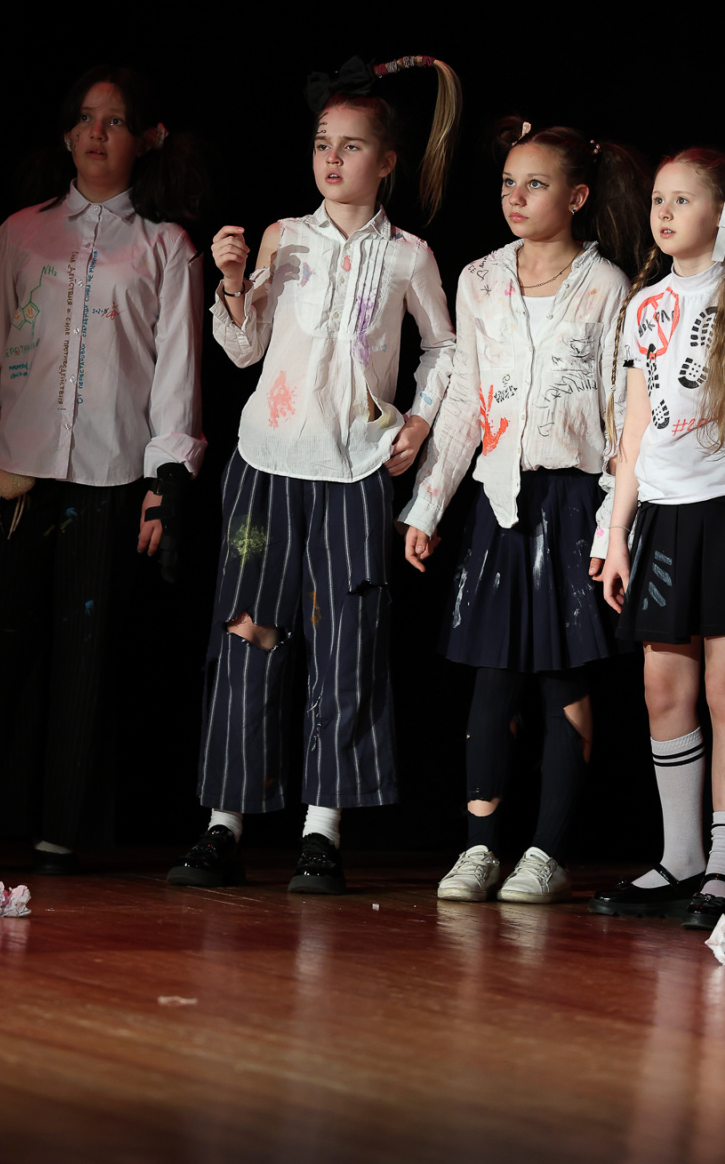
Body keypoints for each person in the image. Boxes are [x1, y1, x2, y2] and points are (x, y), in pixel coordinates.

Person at [168, 55, 460, 894]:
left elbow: (443, 350)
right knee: (246, 631)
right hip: (265, 467)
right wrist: (232, 283)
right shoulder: (284, 237)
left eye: (352, 146)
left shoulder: (407, 256)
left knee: (345, 643)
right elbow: (242, 350)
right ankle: (224, 823)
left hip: (354, 470)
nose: (333, 159)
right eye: (323, 143)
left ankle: (321, 830)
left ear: (387, 160)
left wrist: (419, 420)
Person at [0, 66, 207, 874]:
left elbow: (176, 377)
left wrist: (165, 483)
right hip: (20, 470)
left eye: (114, 121)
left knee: (86, 651)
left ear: (144, 138)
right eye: (85, 118)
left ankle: (63, 824)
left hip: (110, 475)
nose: (96, 133)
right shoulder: (23, 233)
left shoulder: (166, 245)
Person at [402, 121, 650, 904]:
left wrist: (612, 526)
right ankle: (479, 848)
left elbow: (620, 415)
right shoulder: (479, 278)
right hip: (498, 500)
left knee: (560, 677)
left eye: (535, 184)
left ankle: (546, 851)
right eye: (508, 182)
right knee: (493, 677)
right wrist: (427, 505)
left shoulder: (606, 285)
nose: (515, 197)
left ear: (575, 196)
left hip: (573, 502)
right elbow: (463, 400)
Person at [590, 150, 725, 930]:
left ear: (723, 213)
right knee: (663, 691)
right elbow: (631, 433)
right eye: (658, 199)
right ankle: (679, 858)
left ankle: (724, 868)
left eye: (682, 200)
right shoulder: (644, 305)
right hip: (660, 517)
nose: (664, 213)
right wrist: (617, 533)